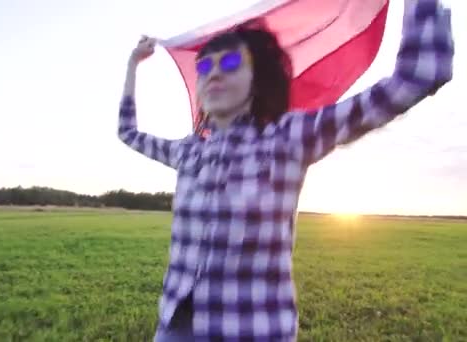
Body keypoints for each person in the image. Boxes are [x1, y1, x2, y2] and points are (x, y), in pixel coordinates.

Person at [117, 0, 454, 340]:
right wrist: (134, 64)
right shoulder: (189, 152)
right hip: (175, 328)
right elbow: (127, 132)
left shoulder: (288, 137)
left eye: (231, 61)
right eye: (204, 67)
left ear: (257, 78)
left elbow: (417, 76)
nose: (214, 72)